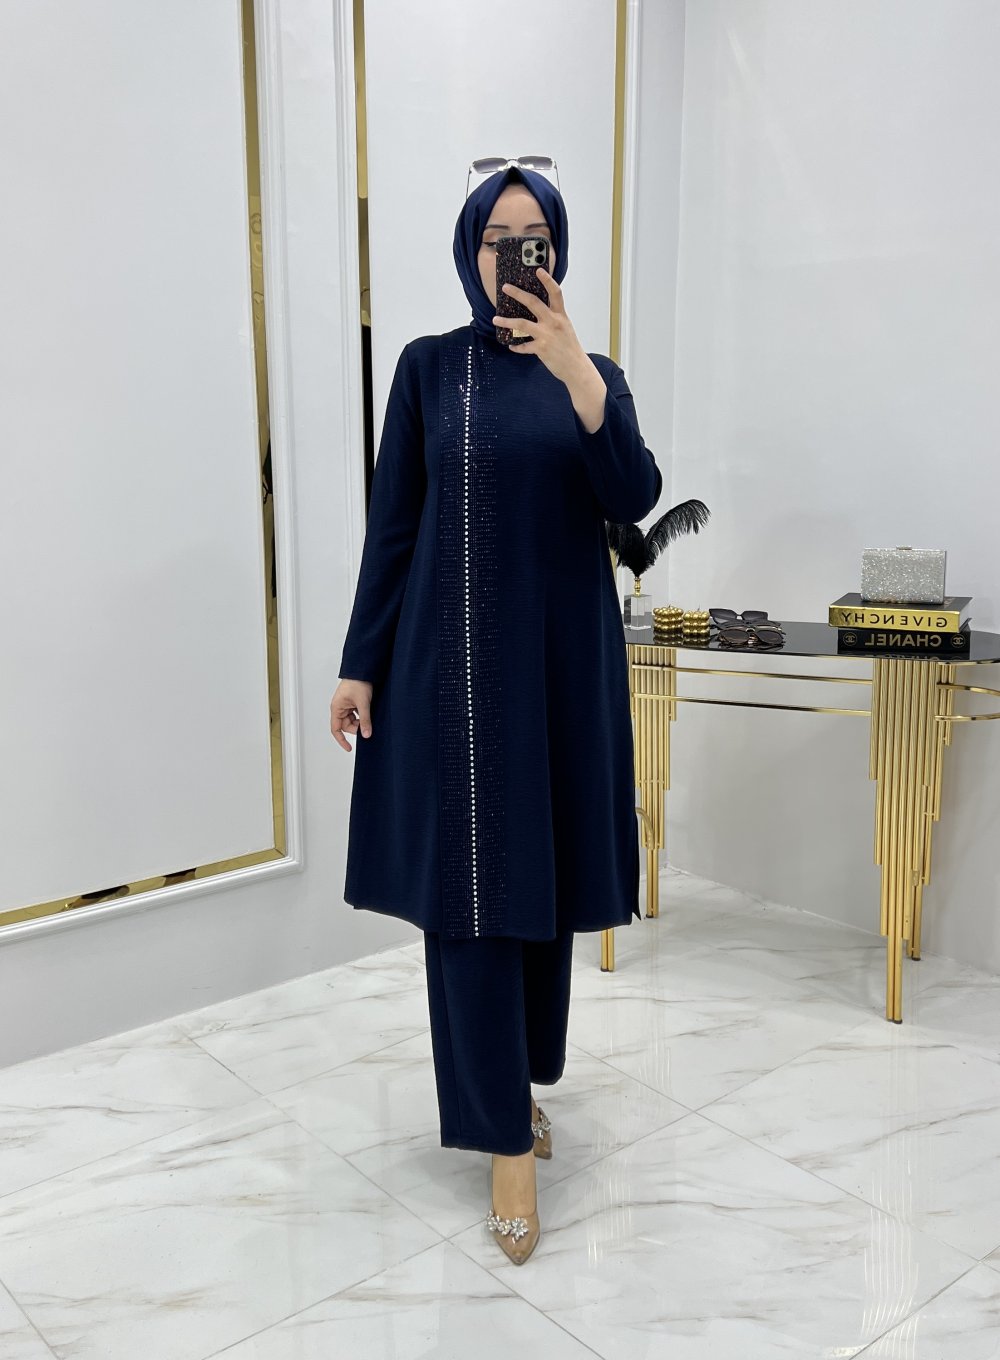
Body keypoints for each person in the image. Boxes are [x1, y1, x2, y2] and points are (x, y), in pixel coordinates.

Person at [329, 163, 662, 1265]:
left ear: (556, 253)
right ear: (469, 252)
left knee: (542, 889)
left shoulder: (594, 373)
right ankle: (503, 1143)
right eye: (495, 238)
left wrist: (577, 373)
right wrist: (360, 664)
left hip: (561, 671)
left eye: (534, 239)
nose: (514, 256)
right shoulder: (428, 369)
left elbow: (633, 496)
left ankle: (518, 1083)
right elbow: (393, 525)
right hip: (453, 675)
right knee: (470, 900)